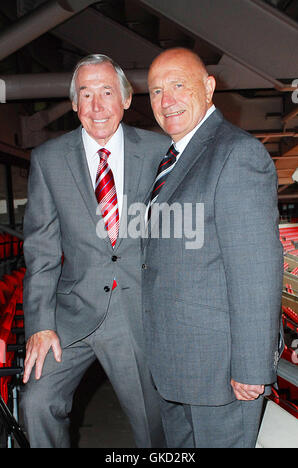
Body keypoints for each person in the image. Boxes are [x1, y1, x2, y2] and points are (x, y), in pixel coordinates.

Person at [21, 54, 169, 448]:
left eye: (106, 92)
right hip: (72, 314)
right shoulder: (49, 160)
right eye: (85, 94)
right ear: (73, 104)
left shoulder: (161, 151)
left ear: (125, 98)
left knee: (152, 428)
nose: (96, 105)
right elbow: (41, 250)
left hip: (136, 310)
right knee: (36, 403)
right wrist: (39, 323)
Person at [142, 47, 284, 448]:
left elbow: (256, 270)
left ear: (208, 88)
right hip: (174, 364)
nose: (165, 100)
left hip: (222, 374)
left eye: (177, 85)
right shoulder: (169, 160)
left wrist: (252, 366)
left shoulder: (236, 154)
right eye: (154, 91)